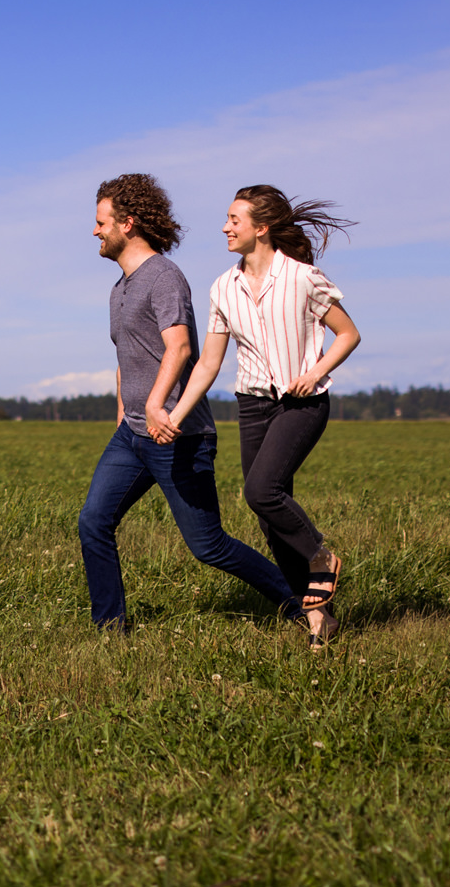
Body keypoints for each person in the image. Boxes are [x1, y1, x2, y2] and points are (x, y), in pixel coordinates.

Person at [77, 174, 302, 631]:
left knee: (209, 546)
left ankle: (299, 603)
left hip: (179, 435)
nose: (95, 231)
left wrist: (158, 406)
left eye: (102, 223)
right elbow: (128, 357)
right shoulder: (120, 288)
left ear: (129, 223)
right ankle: (109, 629)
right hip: (133, 437)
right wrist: (124, 418)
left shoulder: (163, 277)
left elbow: (179, 349)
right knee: (93, 523)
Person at [164, 185, 360, 647]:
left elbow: (348, 334)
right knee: (270, 520)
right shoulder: (222, 288)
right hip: (252, 406)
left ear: (262, 227)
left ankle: (320, 555)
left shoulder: (303, 279)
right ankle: (319, 622)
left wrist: (315, 372)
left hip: (302, 403)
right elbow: (209, 363)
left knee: (260, 490)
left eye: (235, 219)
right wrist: (176, 414)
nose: (226, 227)